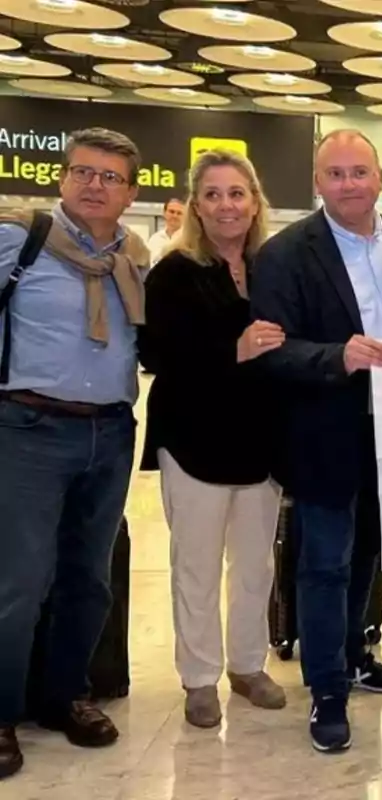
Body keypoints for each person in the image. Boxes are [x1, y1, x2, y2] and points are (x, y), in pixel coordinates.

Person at [250, 129, 382, 754]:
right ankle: (326, 689)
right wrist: (336, 357)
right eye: (336, 174)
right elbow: (271, 351)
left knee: (369, 554)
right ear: (318, 183)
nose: (350, 184)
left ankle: (354, 652)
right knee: (324, 563)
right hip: (325, 431)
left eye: (360, 172)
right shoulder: (287, 253)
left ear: (379, 178)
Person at [0, 128, 148, 779]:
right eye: (84, 172)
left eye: (110, 177)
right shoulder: (18, 241)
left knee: (89, 579)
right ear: (62, 179)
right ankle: (3, 712)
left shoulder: (133, 258)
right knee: (20, 582)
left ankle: (65, 696)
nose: (95, 185)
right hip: (28, 429)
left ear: (129, 192)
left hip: (111, 433)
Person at [138, 150, 286, 729]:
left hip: (261, 440)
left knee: (255, 566)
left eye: (237, 193)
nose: (227, 205)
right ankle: (199, 677)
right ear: (196, 206)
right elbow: (155, 354)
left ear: (255, 202)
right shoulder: (175, 272)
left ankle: (248, 667)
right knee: (196, 565)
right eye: (214, 194)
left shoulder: (273, 268)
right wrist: (234, 350)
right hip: (194, 439)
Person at [147, 197, 185, 264]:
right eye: (171, 212)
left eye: (179, 213)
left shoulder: (188, 240)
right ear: (164, 213)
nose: (175, 216)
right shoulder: (155, 239)